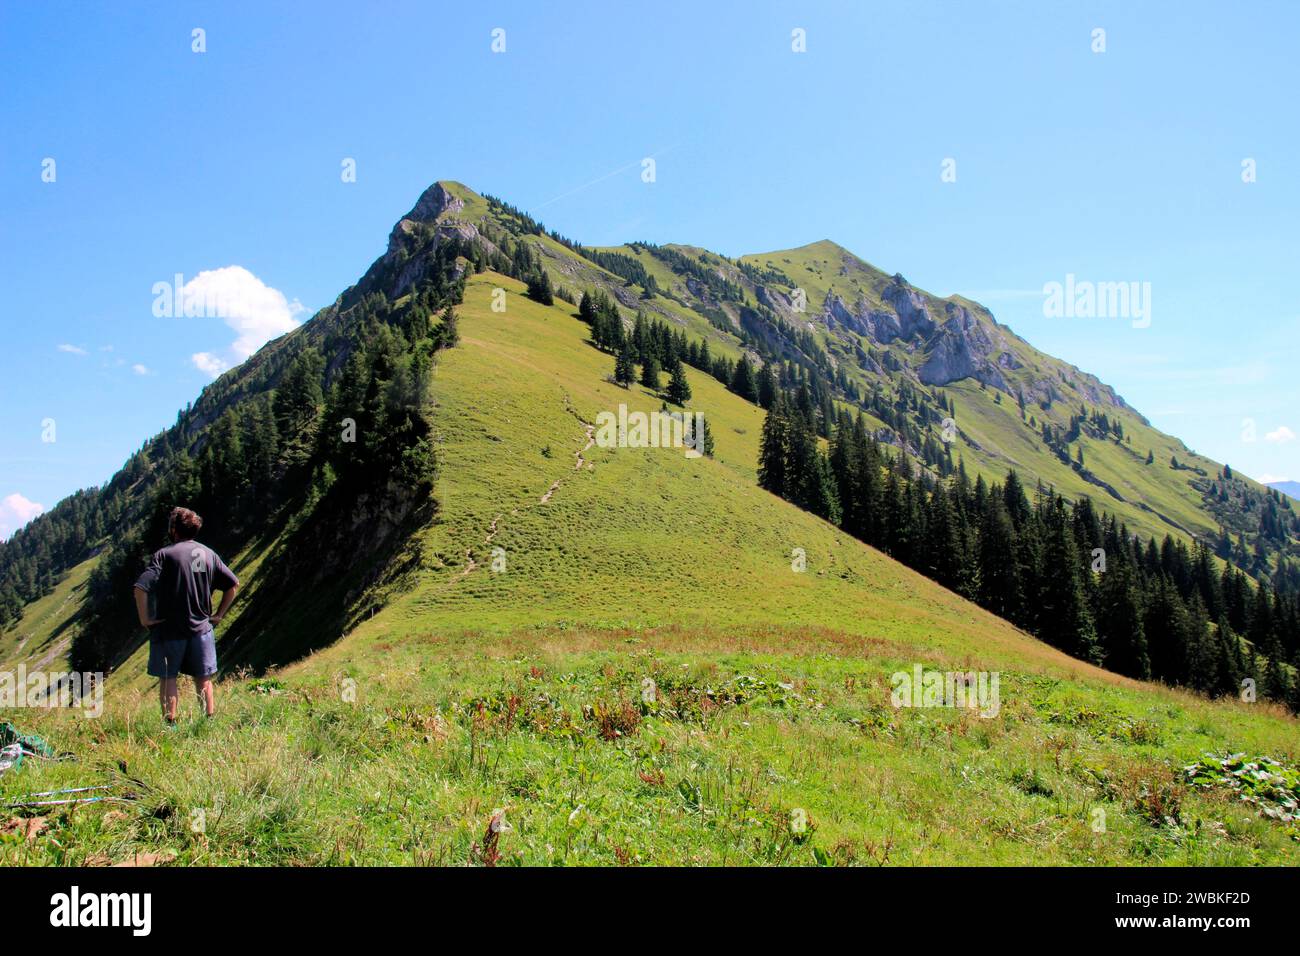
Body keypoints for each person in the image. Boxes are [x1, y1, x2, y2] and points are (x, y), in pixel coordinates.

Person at [133, 507, 239, 723]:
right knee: (203, 678)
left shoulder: (164, 555)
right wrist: (218, 615)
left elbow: (140, 588)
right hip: (201, 628)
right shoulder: (208, 554)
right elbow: (232, 585)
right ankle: (208, 722)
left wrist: (145, 619)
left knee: (168, 677)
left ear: (174, 529)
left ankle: (170, 724)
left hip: (169, 629)